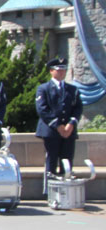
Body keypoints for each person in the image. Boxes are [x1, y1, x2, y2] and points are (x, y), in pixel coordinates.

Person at [35, 57, 83, 188]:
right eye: (58, 70)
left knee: (67, 160)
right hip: (51, 131)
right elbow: (42, 109)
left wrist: (71, 124)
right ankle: (50, 191)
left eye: (64, 70)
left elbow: (78, 107)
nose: (62, 72)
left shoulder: (72, 89)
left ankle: (66, 189)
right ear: (51, 71)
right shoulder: (43, 88)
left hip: (69, 131)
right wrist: (58, 125)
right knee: (51, 160)